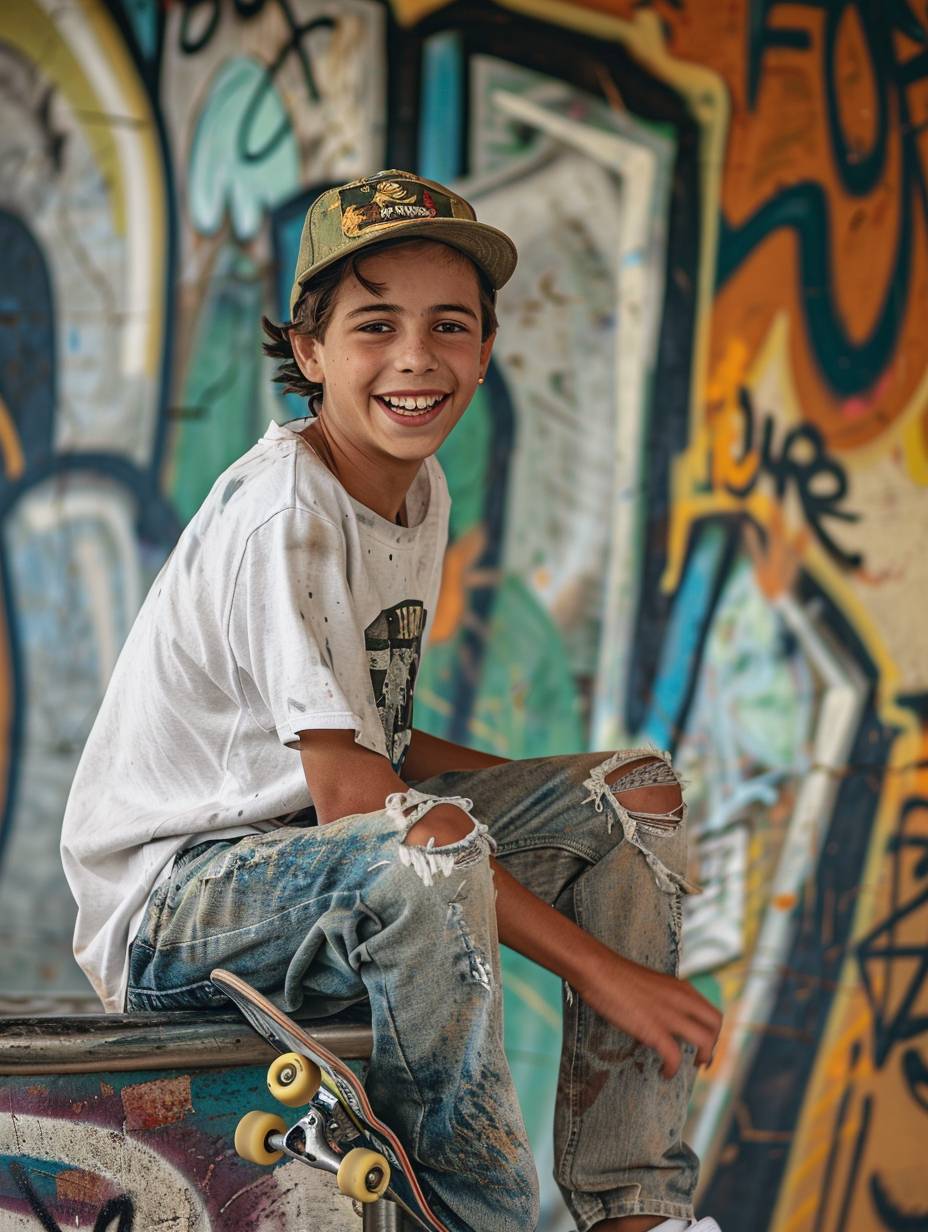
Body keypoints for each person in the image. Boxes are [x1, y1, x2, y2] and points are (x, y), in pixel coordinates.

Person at [61, 169, 723, 1232]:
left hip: (308, 860)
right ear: (310, 352)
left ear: (485, 349)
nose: (416, 359)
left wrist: (540, 807)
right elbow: (353, 794)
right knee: (427, 846)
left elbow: (385, 742)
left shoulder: (415, 490)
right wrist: (605, 972)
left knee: (627, 796)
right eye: (376, 325)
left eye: (448, 326)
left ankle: (635, 1207)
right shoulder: (288, 509)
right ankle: (471, 1216)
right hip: (177, 903)